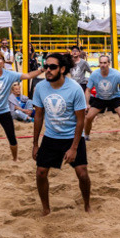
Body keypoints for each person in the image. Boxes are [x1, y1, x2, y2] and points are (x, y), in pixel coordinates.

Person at [32, 52, 90, 215]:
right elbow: (38, 116)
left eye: (52, 67)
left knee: (82, 173)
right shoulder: (40, 87)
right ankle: (46, 208)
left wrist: (73, 148)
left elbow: (80, 121)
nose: (48, 70)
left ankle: (87, 205)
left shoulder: (75, 88)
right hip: (51, 137)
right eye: (46, 66)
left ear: (62, 69)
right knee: (41, 172)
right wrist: (35, 144)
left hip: (72, 137)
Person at [84, 54, 120, 141]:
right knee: (88, 117)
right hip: (100, 98)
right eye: (101, 63)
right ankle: (87, 136)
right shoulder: (94, 74)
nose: (102, 65)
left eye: (105, 63)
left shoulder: (116, 74)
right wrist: (86, 104)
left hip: (115, 98)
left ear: (108, 63)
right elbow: (88, 90)